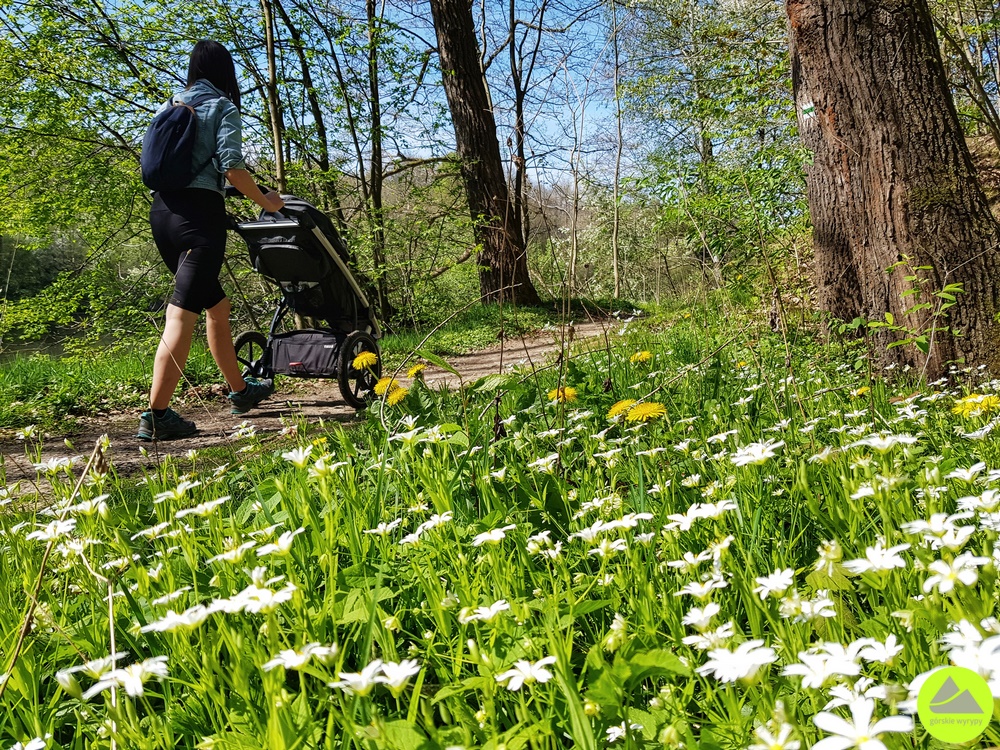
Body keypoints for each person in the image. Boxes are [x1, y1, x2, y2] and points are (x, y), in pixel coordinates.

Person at [138, 40, 283, 441]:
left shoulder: (170, 106)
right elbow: (232, 167)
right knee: (180, 314)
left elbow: (182, 165)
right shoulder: (222, 106)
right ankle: (156, 415)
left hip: (163, 214)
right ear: (226, 72)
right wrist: (267, 202)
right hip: (199, 221)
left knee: (217, 305)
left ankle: (240, 391)